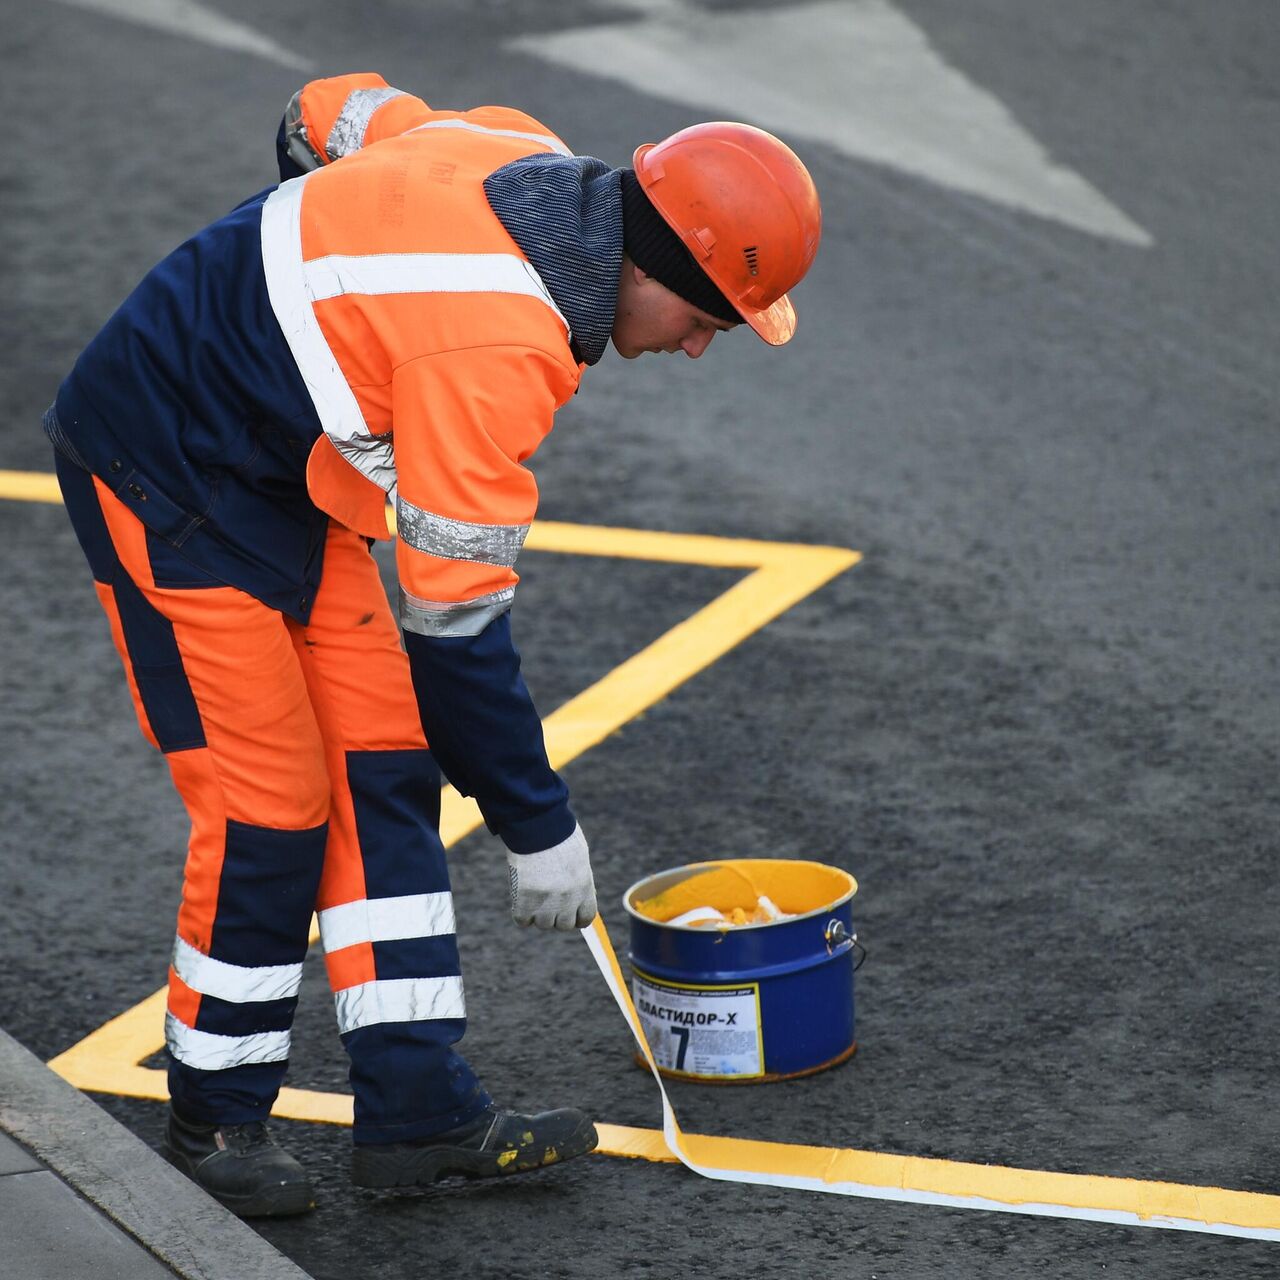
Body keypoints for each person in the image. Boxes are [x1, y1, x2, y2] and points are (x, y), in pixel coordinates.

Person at [44, 73, 821, 1217]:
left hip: (282, 474)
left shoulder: (516, 151)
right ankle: (213, 1114)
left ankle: (416, 1114)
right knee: (271, 804)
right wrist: (535, 821)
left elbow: (330, 110)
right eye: (706, 322)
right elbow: (455, 625)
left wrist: (301, 294)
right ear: (649, 270)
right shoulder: (497, 347)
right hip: (159, 466)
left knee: (381, 767)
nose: (699, 349)